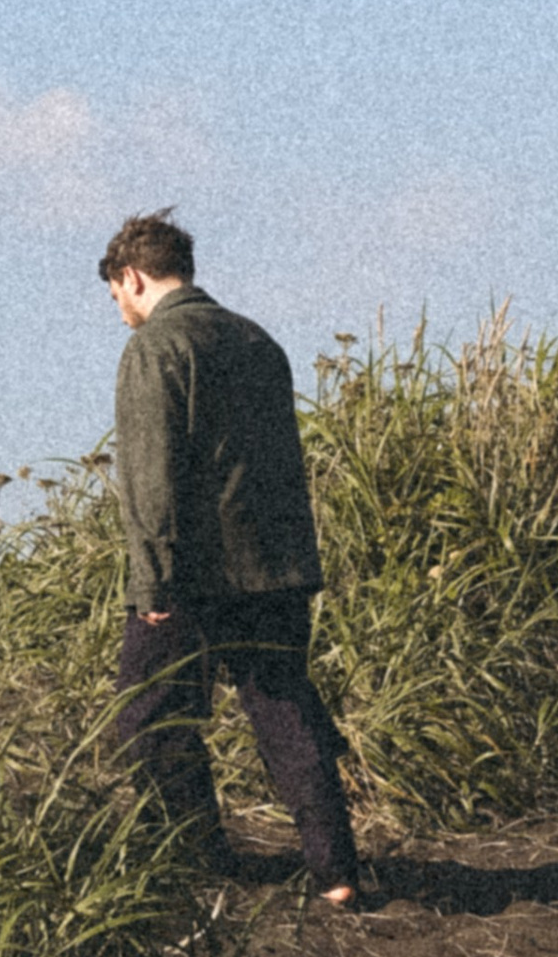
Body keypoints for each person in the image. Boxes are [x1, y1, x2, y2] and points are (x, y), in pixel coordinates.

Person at [98, 211, 367, 907]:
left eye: (116, 296)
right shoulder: (257, 340)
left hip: (192, 573)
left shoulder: (156, 348)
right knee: (283, 708)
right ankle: (335, 871)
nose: (120, 311)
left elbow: (149, 477)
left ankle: (196, 859)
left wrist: (152, 580)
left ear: (132, 277)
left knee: (150, 716)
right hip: (275, 567)